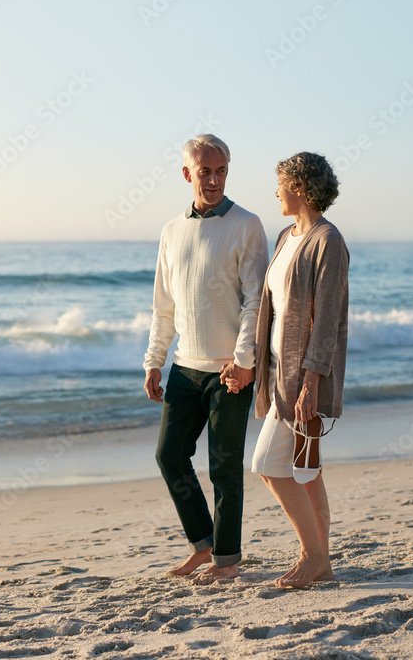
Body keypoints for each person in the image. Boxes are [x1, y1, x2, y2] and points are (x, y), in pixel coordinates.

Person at [143, 134, 269, 585]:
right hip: (184, 367)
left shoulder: (246, 224)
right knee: (169, 456)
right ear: (187, 174)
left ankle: (228, 562)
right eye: (205, 172)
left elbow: (256, 301)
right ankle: (204, 544)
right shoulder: (171, 231)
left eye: (221, 171)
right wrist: (154, 360)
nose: (213, 180)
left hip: (229, 371)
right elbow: (165, 305)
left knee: (223, 465)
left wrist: (244, 359)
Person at [231, 151, 348, 588]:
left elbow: (328, 321)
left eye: (279, 183)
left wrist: (310, 384)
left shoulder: (327, 241)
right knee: (306, 470)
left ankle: (312, 555)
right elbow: (272, 310)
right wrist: (249, 360)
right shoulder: (286, 236)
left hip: (302, 378)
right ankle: (324, 563)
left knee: (266, 463)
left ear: (299, 186)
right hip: (279, 369)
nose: (274, 191)